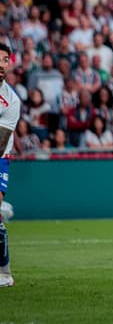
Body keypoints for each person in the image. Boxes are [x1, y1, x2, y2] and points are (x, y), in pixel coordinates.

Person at [0, 43, 22, 287]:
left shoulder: (11, 101)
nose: (1, 64)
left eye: (5, 60)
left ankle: (4, 272)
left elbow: (0, 143)